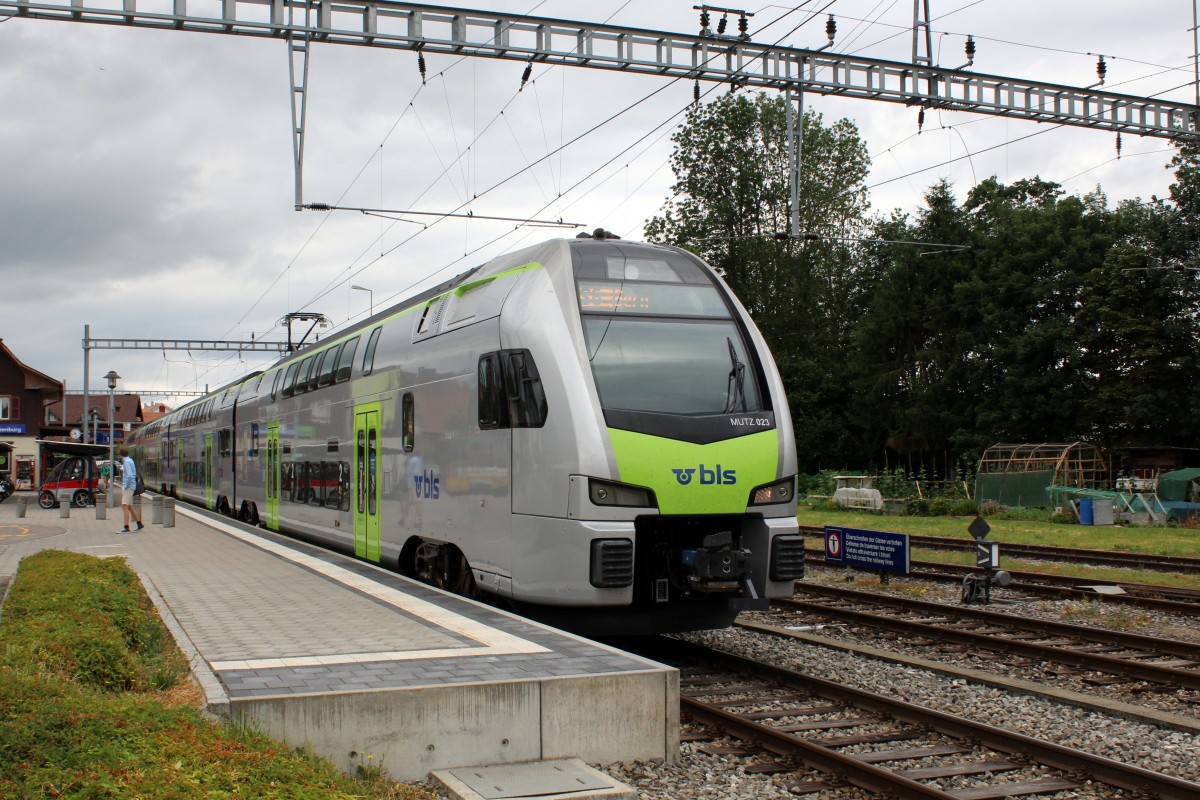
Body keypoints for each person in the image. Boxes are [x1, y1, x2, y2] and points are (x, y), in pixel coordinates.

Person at [117, 446, 144, 533]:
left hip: (128, 487)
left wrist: (125, 486)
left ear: (121, 455)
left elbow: (129, 475)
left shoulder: (126, 462)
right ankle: (139, 524)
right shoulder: (130, 460)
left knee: (124, 505)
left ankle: (126, 527)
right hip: (131, 486)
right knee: (129, 506)